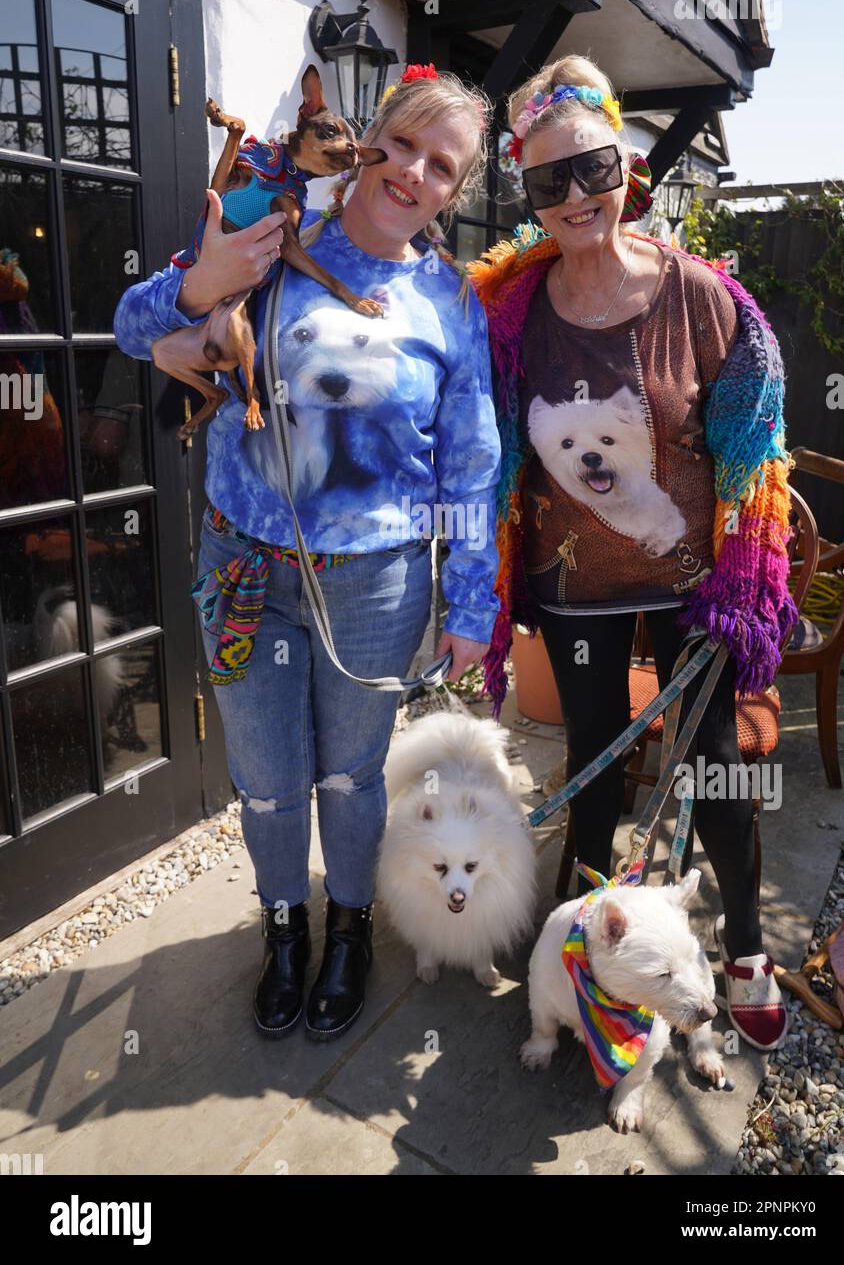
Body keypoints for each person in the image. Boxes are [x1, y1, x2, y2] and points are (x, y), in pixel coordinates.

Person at [112, 64, 501, 1041]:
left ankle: (349, 932)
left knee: (351, 777)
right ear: (369, 140)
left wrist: (467, 604)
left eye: (441, 165)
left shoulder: (450, 301)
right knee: (267, 775)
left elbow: (468, 461)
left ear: (455, 190)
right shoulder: (274, 239)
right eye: (403, 143)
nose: (412, 171)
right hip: (244, 566)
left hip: (376, 583)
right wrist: (206, 281)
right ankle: (284, 930)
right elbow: (133, 327)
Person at [470, 55, 797, 1053]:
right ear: (523, 190)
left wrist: (742, 582)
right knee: (595, 769)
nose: (574, 196)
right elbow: (476, 439)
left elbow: (754, 448)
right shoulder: (509, 311)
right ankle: (585, 945)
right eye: (546, 180)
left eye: (592, 169)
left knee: (718, 772)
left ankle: (740, 944)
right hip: (575, 594)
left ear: (627, 167)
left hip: (696, 590)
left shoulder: (701, 297)